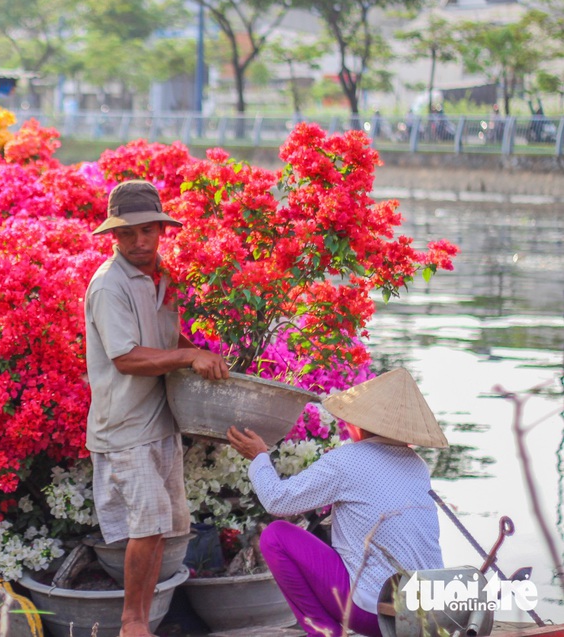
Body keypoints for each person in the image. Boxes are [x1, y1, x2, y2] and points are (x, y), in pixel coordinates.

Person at [84, 180, 230, 637]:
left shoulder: (163, 279)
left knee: (162, 531)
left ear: (161, 230)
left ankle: (143, 620)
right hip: (124, 426)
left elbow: (169, 340)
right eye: (128, 234)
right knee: (145, 528)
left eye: (148, 230)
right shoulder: (109, 285)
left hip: (160, 420)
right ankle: (132, 624)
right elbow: (126, 357)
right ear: (114, 237)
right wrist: (189, 357)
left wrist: (198, 353)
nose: (139, 241)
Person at [226, 368, 448, 637]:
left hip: (375, 613)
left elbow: (277, 500)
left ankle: (323, 632)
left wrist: (260, 457)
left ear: (357, 425)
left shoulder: (348, 459)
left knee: (275, 536)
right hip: (427, 611)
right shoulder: (418, 466)